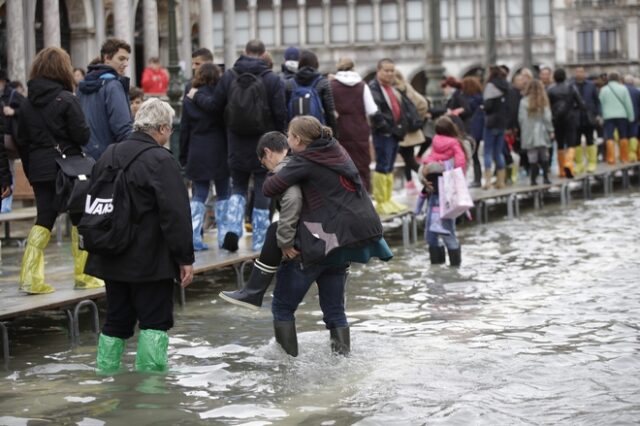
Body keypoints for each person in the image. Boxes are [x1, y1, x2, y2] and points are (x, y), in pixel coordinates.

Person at [262, 116, 392, 357]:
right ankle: (342, 365)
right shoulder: (337, 150)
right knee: (335, 313)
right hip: (342, 244)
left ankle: (285, 370)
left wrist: (280, 166)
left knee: (282, 307)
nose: (287, 141)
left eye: (289, 136)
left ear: (297, 139)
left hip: (316, 244)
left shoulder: (304, 161)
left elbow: (270, 188)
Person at [87, 98, 194, 374]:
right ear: (160, 128)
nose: (169, 134)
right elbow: (176, 214)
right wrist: (184, 258)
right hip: (149, 259)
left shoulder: (109, 154)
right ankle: (152, 393)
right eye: (169, 129)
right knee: (155, 323)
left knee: (116, 321)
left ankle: (105, 376)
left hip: (111, 253)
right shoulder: (160, 160)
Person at [15, 47, 103, 294]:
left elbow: (21, 140)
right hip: (70, 169)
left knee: (44, 219)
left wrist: (32, 170)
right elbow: (82, 135)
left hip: (41, 169)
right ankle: (85, 276)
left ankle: (30, 278)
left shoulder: (25, 104)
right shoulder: (66, 99)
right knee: (80, 219)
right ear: (62, 69)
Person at [188, 39, 287, 252]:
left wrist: (196, 96)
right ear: (263, 54)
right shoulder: (272, 79)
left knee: (238, 185)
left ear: (244, 52)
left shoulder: (229, 76)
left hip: (235, 141)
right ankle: (260, 239)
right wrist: (281, 141)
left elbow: (215, 106)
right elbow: (281, 114)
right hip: (265, 142)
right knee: (262, 185)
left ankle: (234, 228)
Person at [219, 132, 302, 309]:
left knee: (274, 230)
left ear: (268, 152)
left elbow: (293, 199)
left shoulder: (285, 171)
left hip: (319, 237)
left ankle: (253, 291)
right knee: (335, 310)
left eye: (264, 162)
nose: (266, 167)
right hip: (338, 232)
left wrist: (286, 242)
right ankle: (258, 244)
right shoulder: (307, 160)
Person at [180, 63, 230, 251]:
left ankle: (193, 237)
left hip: (198, 149)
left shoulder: (189, 99)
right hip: (221, 148)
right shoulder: (220, 98)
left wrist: (183, 156)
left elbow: (184, 130)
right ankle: (224, 237)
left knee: (199, 194)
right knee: (224, 193)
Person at [420, 116, 468, 266]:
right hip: (446, 193)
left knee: (433, 232)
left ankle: (440, 269)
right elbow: (460, 166)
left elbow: (426, 164)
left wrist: (427, 170)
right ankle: (453, 270)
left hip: (436, 192)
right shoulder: (459, 145)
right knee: (444, 231)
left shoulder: (436, 143)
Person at [78, 38, 133, 160]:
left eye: (127, 59)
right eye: (121, 59)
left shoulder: (81, 86)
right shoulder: (113, 86)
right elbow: (122, 128)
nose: (126, 63)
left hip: (85, 157)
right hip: (110, 159)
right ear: (107, 58)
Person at [330, 57, 379, 192]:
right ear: (353, 68)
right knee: (362, 164)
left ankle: (345, 193)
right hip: (359, 128)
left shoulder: (332, 85)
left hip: (340, 129)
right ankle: (363, 193)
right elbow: (372, 109)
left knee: (342, 164)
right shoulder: (362, 85)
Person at [369, 58, 407, 214]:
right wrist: (388, 128)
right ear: (378, 71)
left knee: (390, 165)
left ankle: (388, 198)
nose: (390, 73)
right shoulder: (374, 88)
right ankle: (381, 200)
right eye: (387, 70)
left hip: (394, 132)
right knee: (383, 165)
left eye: (392, 70)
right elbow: (375, 112)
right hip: (383, 132)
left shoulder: (391, 87)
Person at [285, 50, 338, 135]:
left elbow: (284, 112)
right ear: (316, 64)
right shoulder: (323, 83)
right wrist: (334, 134)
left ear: (299, 64)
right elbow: (330, 112)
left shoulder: (289, 84)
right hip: (317, 133)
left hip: (295, 133)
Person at [394, 69, 429, 196]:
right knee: (408, 158)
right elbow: (423, 104)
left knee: (409, 160)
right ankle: (411, 184)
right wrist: (419, 118)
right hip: (411, 132)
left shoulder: (393, 90)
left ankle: (428, 178)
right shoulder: (408, 88)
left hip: (401, 132)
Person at [548, 68, 585, 178]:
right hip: (570, 118)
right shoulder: (571, 87)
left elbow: (548, 106)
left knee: (559, 144)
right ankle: (569, 164)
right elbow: (581, 103)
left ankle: (561, 170)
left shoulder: (550, 89)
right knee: (571, 142)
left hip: (556, 119)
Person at [519, 80, 554, 185]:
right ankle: (545, 178)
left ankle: (533, 179)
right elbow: (547, 118)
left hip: (529, 132)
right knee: (544, 154)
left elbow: (521, 119)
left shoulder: (523, 102)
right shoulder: (543, 101)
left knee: (532, 156)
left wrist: (524, 132)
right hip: (542, 131)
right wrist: (551, 130)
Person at [482, 66, 509, 189]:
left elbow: (488, 105)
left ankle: (487, 182)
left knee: (487, 152)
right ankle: (501, 181)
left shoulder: (491, 86)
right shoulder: (506, 86)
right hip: (502, 122)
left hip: (491, 122)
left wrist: (483, 107)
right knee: (498, 153)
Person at [599, 72, 635, 164]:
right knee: (623, 136)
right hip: (621, 115)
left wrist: (601, 116)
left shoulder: (603, 90)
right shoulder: (623, 89)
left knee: (609, 137)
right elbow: (628, 104)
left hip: (608, 116)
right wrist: (631, 117)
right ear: (618, 79)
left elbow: (600, 104)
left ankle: (611, 159)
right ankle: (624, 158)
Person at [572, 67, 601, 173]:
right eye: (577, 72)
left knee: (590, 140)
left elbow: (597, 100)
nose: (579, 74)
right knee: (576, 141)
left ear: (585, 73)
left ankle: (592, 162)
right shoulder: (571, 85)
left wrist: (598, 114)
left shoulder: (591, 85)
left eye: (581, 72)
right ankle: (579, 164)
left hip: (589, 117)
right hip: (576, 118)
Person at [459, 76, 484, 187]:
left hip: (471, 130)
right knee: (475, 156)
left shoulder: (471, 100)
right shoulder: (480, 98)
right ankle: (477, 179)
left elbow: (466, 112)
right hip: (478, 131)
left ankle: (476, 180)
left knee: (472, 156)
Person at [623, 74, 640, 162]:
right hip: (635, 116)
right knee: (633, 135)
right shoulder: (636, 91)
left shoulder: (621, 90)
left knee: (624, 135)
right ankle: (632, 155)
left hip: (622, 116)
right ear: (632, 82)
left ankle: (624, 156)